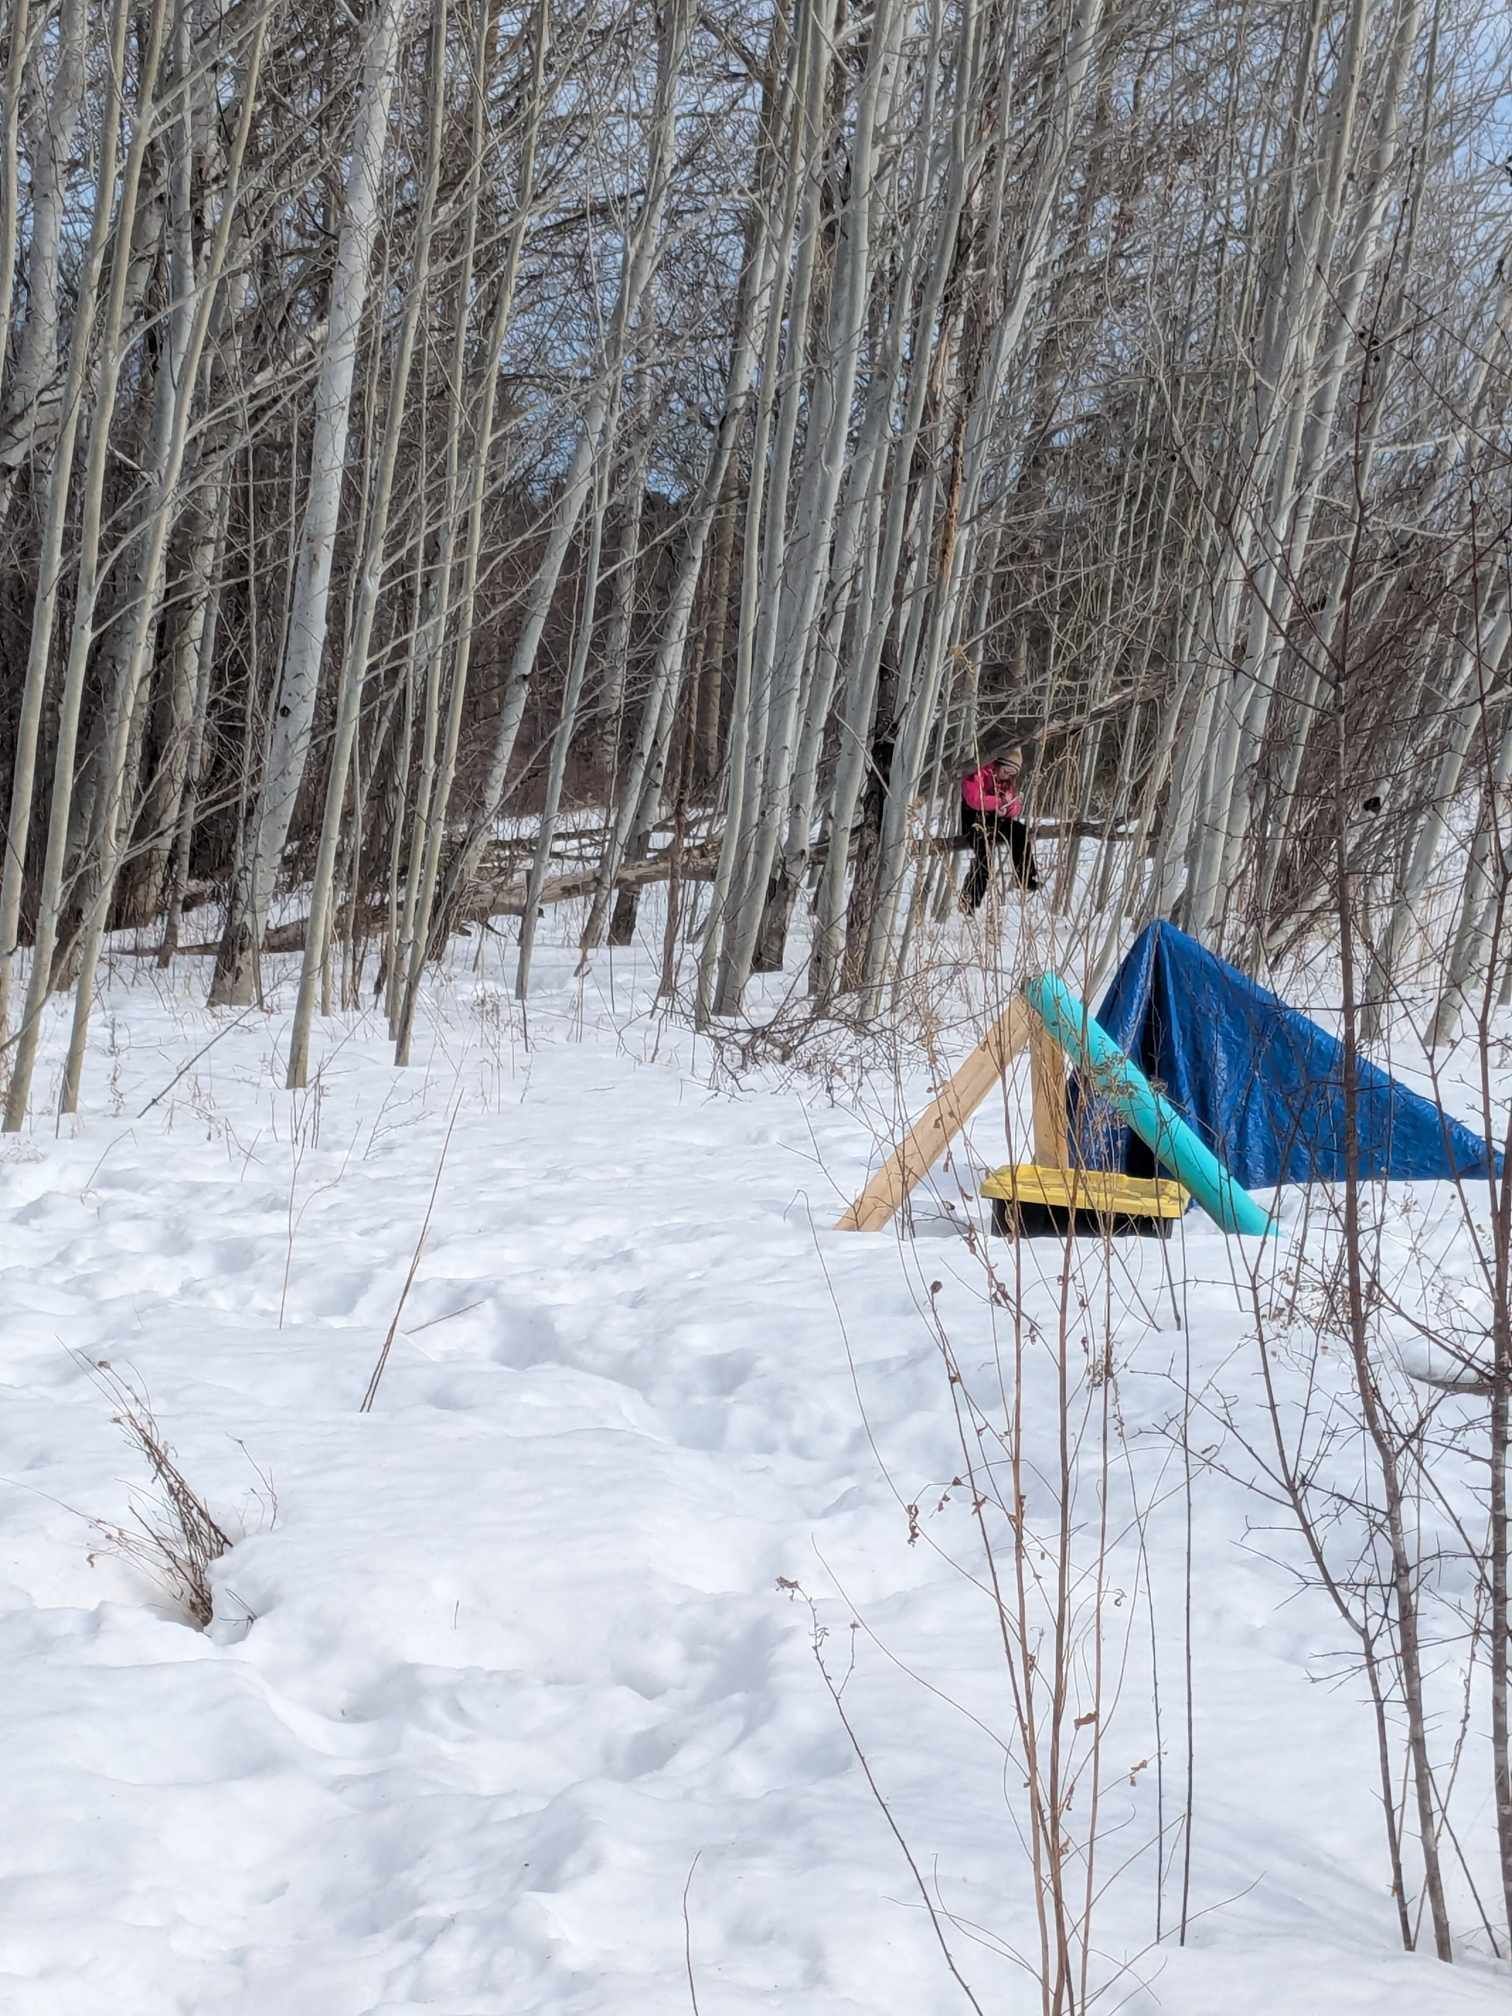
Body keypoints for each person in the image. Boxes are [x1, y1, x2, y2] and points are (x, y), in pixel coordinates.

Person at [959, 748, 1039, 910]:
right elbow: (974, 799)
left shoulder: (1006, 782)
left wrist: (1010, 806)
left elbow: (1015, 807)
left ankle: (1025, 877)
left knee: (1019, 831)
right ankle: (968, 903)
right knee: (984, 858)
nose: (1007, 775)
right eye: (1006, 771)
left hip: (995, 820)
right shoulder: (979, 772)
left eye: (1011, 773)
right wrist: (998, 802)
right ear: (998, 763)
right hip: (974, 821)